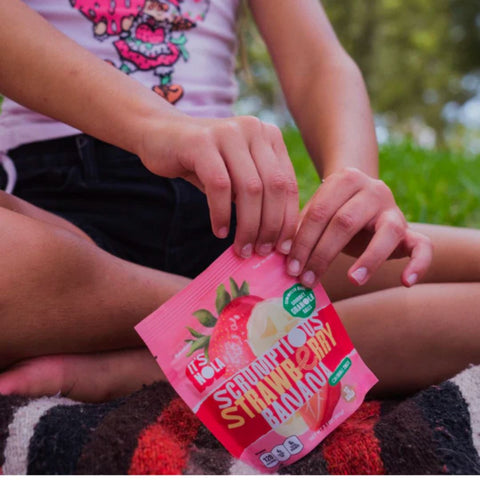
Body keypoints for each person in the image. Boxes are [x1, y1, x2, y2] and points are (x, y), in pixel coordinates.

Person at [0, 0, 478, 402]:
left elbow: (318, 61)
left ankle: (141, 366)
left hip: (241, 217)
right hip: (62, 225)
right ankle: (254, 328)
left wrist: (353, 182)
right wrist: (156, 127)